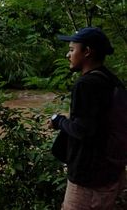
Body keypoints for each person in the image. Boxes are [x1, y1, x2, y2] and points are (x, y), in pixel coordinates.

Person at [50, 27, 125, 209]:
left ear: (87, 52)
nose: (68, 55)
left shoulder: (86, 84)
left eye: (72, 49)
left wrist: (58, 121)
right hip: (110, 172)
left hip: (88, 180)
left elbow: (82, 130)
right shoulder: (112, 80)